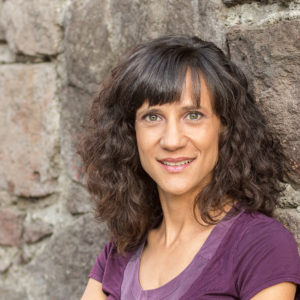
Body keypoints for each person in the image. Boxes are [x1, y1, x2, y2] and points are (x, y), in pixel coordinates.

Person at [80, 35, 300, 300]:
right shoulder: (118, 253)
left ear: (224, 127)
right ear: (130, 133)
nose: (172, 141)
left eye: (193, 115)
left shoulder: (262, 247)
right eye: (152, 117)